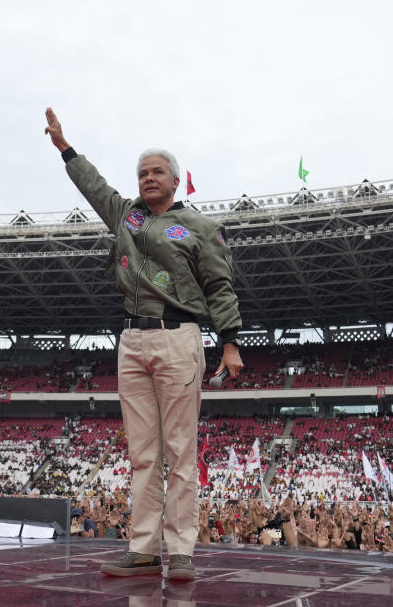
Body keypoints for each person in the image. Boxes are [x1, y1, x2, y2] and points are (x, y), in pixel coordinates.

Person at [44, 108, 244, 579]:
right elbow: (95, 188)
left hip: (178, 337)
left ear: (175, 180)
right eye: (141, 173)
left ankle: (181, 552)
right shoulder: (127, 218)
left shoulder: (198, 227)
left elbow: (220, 286)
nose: (148, 178)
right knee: (142, 453)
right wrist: (65, 149)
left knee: (179, 450)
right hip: (131, 339)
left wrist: (229, 343)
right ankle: (143, 549)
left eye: (157, 172)